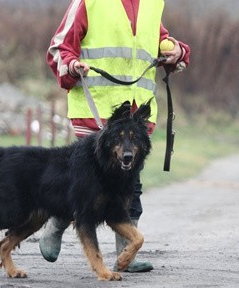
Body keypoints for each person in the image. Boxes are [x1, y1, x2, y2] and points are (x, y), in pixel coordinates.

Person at [40, 0, 190, 272]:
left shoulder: (152, 3)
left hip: (136, 117)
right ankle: (56, 223)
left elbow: (159, 41)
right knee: (83, 183)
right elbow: (58, 48)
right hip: (96, 109)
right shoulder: (90, 2)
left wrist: (177, 52)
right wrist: (72, 65)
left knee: (131, 186)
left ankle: (126, 252)